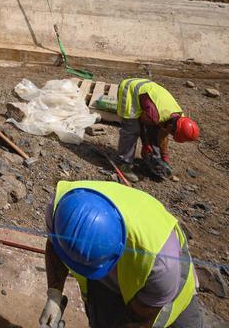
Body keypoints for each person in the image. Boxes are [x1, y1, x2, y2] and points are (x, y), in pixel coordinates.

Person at [41, 181, 203, 328]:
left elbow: (139, 321)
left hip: (165, 290)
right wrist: (54, 295)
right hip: (113, 278)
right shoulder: (61, 211)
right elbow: (56, 246)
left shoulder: (161, 265)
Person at [115, 78, 199, 179]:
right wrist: (146, 144)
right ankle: (124, 163)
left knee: (155, 130)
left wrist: (165, 158)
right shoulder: (155, 116)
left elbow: (163, 135)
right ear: (171, 126)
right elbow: (141, 123)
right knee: (132, 129)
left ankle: (154, 158)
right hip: (130, 89)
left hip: (147, 92)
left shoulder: (180, 118)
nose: (171, 135)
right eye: (172, 133)